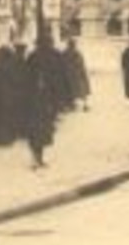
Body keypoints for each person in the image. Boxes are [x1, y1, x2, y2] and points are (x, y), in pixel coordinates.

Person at [23, 32, 68, 169]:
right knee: (39, 131)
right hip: (40, 100)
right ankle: (36, 159)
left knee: (39, 131)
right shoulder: (49, 56)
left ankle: (38, 158)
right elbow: (60, 79)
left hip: (39, 100)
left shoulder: (35, 56)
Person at [62, 37, 91, 112]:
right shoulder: (77, 53)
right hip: (76, 74)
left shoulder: (65, 53)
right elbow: (81, 64)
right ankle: (84, 105)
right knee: (81, 89)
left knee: (72, 90)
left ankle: (75, 104)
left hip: (69, 74)